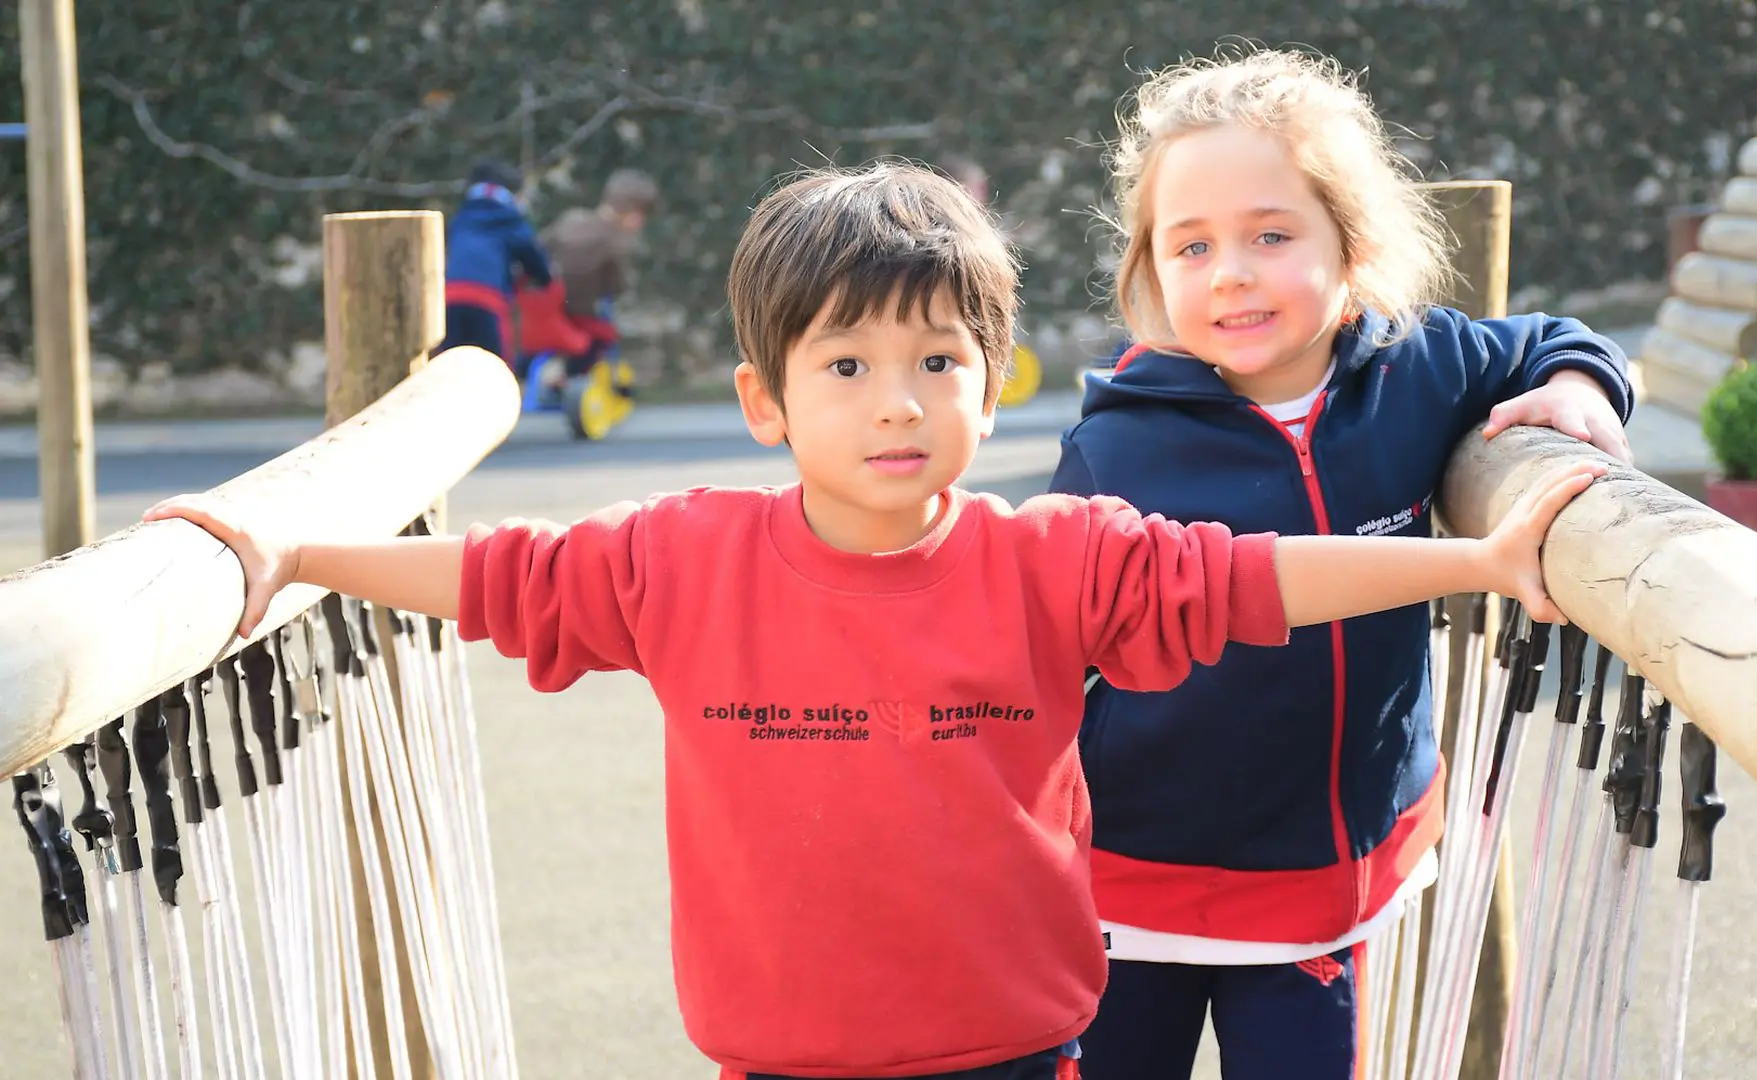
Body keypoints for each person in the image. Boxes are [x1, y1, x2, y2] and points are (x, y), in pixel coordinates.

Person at [144, 161, 1605, 1080]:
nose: (896, 400)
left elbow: (1258, 577)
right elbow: (498, 578)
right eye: (843, 365)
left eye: (936, 359)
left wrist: (1477, 569)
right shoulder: (684, 558)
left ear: (996, 381)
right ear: (764, 402)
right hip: (779, 1058)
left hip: (1026, 1052)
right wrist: (297, 551)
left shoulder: (1055, 560)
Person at [1046, 49, 1636, 1080]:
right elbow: (1052, 645)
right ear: (1150, 269)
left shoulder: (1418, 369)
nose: (1230, 271)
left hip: (1324, 889)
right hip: (1136, 886)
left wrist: (1582, 387)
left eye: (1271, 235)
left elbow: (1550, 338)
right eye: (1191, 247)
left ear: (1351, 243)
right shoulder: (1117, 446)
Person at [537, 169, 660, 377]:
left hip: (543, 305)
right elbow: (617, 285)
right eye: (640, 215)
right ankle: (571, 377)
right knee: (605, 336)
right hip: (579, 315)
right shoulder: (615, 241)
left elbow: (539, 248)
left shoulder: (571, 219)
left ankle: (553, 372)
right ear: (629, 210)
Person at [441, 159, 552, 367]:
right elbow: (536, 262)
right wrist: (543, 278)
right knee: (496, 370)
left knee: (447, 368)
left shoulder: (461, 217)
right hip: (489, 301)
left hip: (450, 298)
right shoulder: (512, 221)